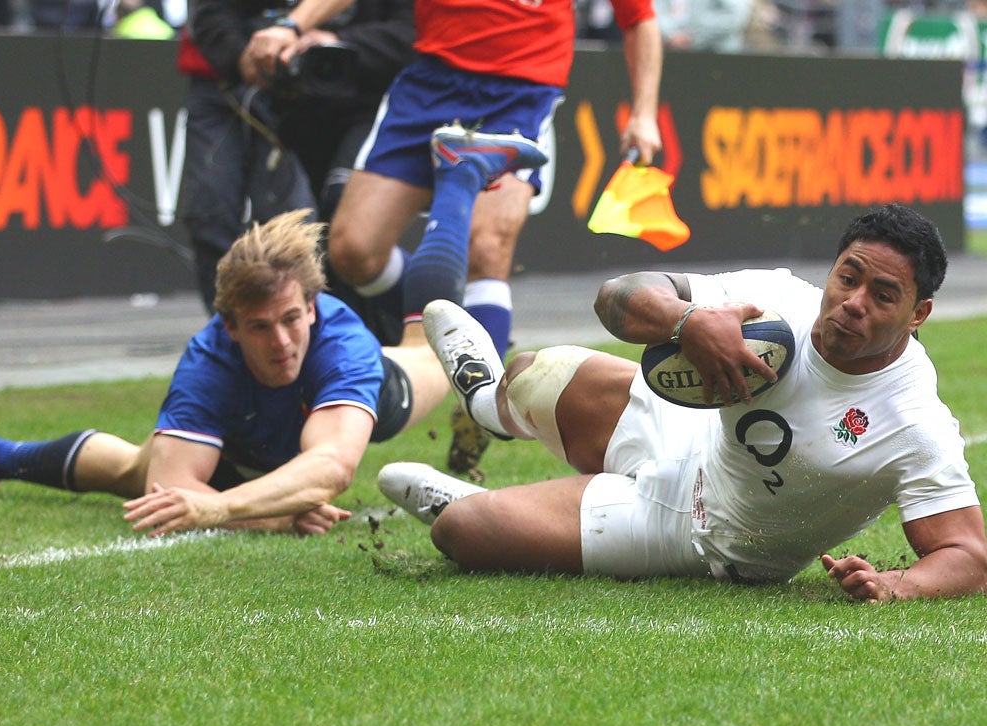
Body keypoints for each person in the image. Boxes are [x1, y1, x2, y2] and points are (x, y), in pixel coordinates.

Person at [379, 204, 987, 603]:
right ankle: (485, 402)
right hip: (687, 429)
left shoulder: (916, 421)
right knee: (533, 375)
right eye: (847, 278)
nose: (853, 303)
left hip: (700, 533)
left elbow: (967, 554)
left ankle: (462, 500)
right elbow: (617, 296)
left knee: (462, 532)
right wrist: (687, 319)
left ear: (918, 315)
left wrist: (896, 587)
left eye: (883, 295)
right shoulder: (778, 300)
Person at [264, 0, 664, 473]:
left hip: (521, 89)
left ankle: (483, 404)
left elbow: (638, 18)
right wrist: (293, 24)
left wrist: (643, 112)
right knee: (353, 250)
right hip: (430, 83)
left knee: (488, 246)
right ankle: (459, 337)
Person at [0, 211, 449, 537]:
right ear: (231, 327)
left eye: (291, 319)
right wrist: (276, 518)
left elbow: (331, 467)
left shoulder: (342, 343)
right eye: (260, 327)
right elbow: (169, 489)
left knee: (438, 356)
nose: (281, 342)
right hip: (250, 435)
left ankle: (458, 175)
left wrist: (220, 508)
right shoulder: (209, 359)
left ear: (312, 307)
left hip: (370, 399)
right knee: (134, 472)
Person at [179, 0, 414, 314]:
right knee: (213, 212)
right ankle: (232, 338)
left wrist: (336, 42)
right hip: (243, 85)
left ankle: (348, 329)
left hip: (359, 94)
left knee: (329, 224)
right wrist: (243, 55)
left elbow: (411, 33)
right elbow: (210, 14)